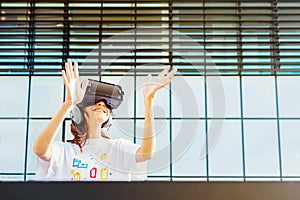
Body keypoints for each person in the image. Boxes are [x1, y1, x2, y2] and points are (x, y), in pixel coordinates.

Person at [33, 59, 177, 181]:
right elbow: (40, 149)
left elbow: (147, 153)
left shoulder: (118, 149)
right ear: (79, 114)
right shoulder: (65, 151)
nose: (102, 104)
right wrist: (68, 104)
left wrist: (149, 101)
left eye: (107, 104)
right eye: (95, 102)